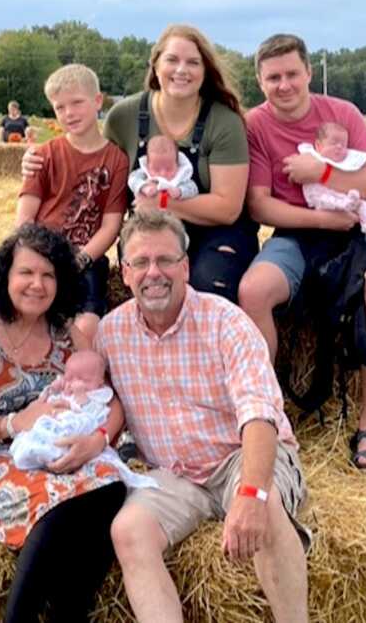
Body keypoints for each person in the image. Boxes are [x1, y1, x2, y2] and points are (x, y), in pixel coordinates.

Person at [97, 210, 311, 623]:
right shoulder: (110, 333)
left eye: (165, 261)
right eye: (140, 262)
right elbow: (95, 402)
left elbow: (259, 413)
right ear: (124, 273)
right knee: (128, 530)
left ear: (186, 267)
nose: (153, 273)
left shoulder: (226, 321)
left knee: (264, 508)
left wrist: (251, 493)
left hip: (236, 455)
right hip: (174, 472)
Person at [0, 224, 126, 622]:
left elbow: (111, 400)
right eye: (26, 273)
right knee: (61, 505)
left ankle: (68, 614)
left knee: (113, 488)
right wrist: (12, 423)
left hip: (58, 452)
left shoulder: (66, 334)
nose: (37, 284)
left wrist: (98, 440)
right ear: (6, 277)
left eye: (48, 275)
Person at [237, 33, 366, 475]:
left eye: (292, 74)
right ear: (260, 80)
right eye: (273, 77)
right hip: (296, 234)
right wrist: (321, 221)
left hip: (357, 235)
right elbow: (259, 204)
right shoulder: (255, 125)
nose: (284, 84)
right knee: (253, 291)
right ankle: (267, 414)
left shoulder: (342, 114)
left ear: (309, 73)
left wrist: (323, 172)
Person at [23, 24, 258, 304]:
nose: (181, 70)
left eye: (193, 62)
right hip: (148, 228)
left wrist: (162, 203)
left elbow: (228, 208)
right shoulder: (125, 116)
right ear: (155, 65)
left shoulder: (224, 122)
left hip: (217, 231)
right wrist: (38, 159)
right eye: (172, 60)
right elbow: (93, 158)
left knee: (207, 284)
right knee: (151, 281)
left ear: (205, 70)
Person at [13, 64, 128, 341]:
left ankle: (76, 380)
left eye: (77, 103)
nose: (69, 113)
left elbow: (111, 226)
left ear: (97, 101)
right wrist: (40, 257)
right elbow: (25, 218)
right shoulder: (44, 155)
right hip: (41, 250)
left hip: (86, 258)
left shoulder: (115, 160)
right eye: (59, 108)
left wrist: (80, 260)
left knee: (86, 325)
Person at [9, 349, 158, 489]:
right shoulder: (64, 389)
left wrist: (98, 439)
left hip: (80, 437)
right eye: (69, 377)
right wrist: (52, 390)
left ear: (100, 381)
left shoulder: (97, 394)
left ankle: (50, 453)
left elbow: (96, 411)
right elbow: (43, 401)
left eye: (84, 379)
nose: (75, 382)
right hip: (38, 429)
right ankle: (38, 453)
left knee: (108, 479)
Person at [298, 122, 366, 235]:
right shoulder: (312, 157)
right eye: (333, 143)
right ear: (318, 145)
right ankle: (343, 204)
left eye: (343, 145)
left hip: (346, 197)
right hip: (321, 196)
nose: (339, 147)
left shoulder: (347, 162)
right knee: (325, 198)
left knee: (364, 203)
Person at [127, 134, 199, 203]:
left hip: (175, 213)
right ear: (148, 166)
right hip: (145, 213)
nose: (163, 174)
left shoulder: (181, 177)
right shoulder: (144, 174)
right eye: (156, 169)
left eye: (168, 169)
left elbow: (193, 189)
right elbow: (132, 179)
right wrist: (144, 187)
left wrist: (179, 191)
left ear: (177, 165)